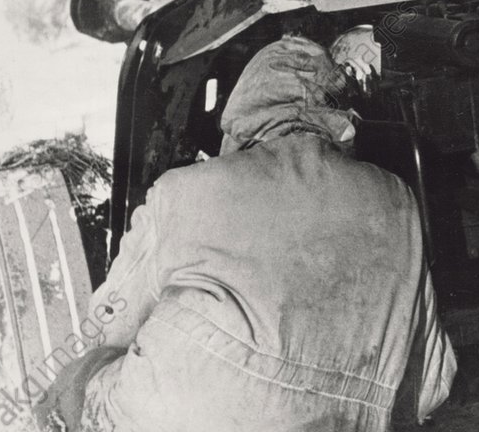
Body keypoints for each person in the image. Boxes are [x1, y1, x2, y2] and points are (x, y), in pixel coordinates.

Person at [37, 35, 456, 431]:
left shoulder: (185, 189)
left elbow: (110, 322)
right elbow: (431, 385)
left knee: (76, 377)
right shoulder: (398, 200)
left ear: (246, 108)